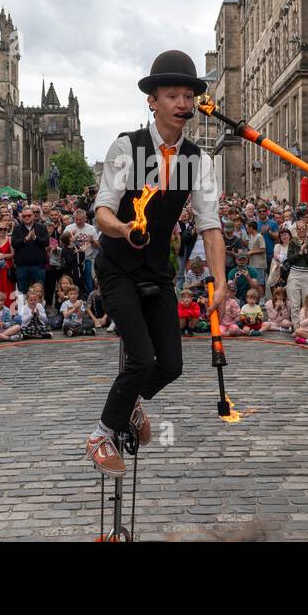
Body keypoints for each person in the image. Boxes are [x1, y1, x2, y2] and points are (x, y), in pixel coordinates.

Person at [84, 51, 225, 478]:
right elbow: (101, 211)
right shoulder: (127, 146)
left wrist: (221, 282)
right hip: (118, 268)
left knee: (172, 365)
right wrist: (125, 229)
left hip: (158, 270)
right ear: (153, 101)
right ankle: (100, 434)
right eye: (172, 95)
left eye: (188, 95)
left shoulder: (199, 160)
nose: (182, 103)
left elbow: (211, 225)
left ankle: (130, 403)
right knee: (141, 359)